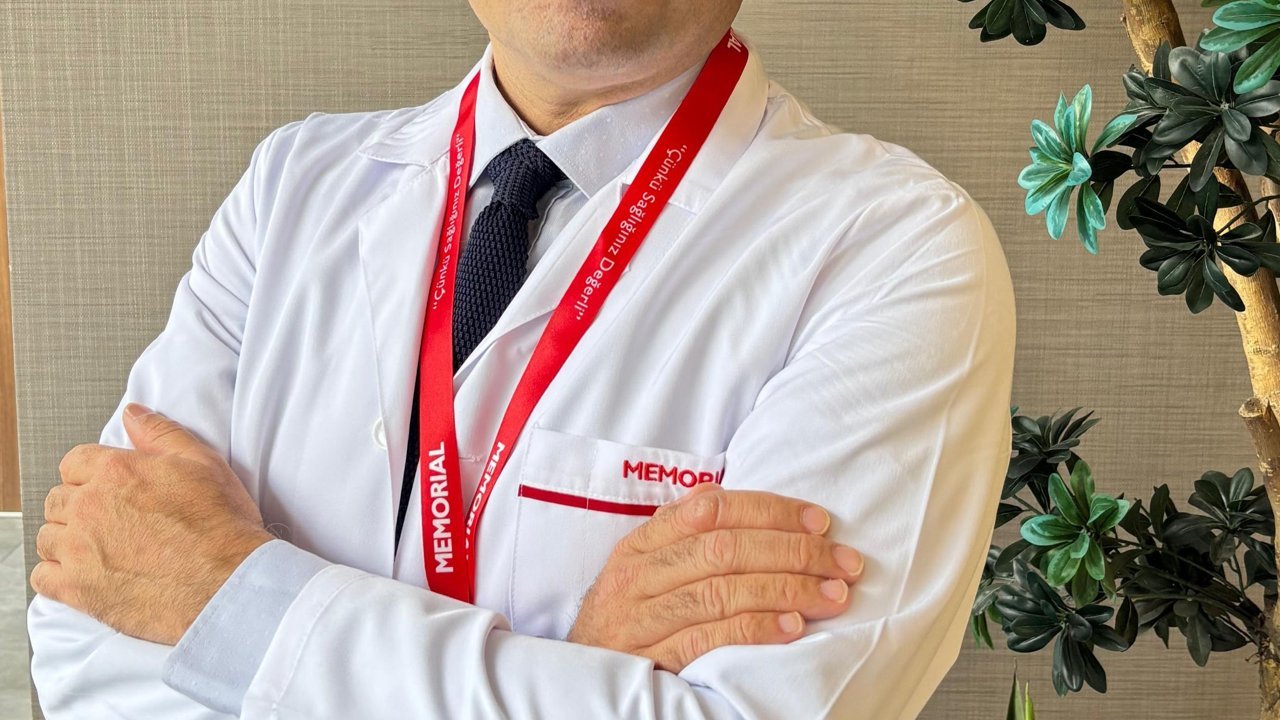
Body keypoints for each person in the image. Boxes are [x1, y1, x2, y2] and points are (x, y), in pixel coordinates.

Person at [26, 0, 1016, 718]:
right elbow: (89, 635)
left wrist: (225, 599)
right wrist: (575, 669)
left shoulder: (895, 247)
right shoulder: (293, 185)